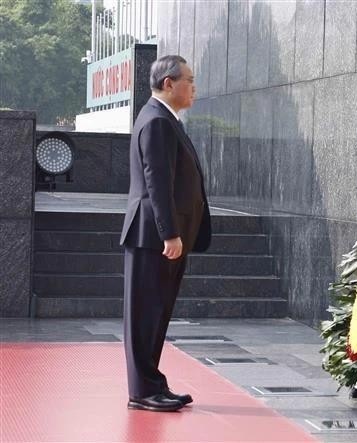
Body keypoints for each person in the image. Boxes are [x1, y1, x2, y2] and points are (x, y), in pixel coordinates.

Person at [119, 55, 211, 412]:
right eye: (189, 80)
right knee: (145, 315)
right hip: (153, 237)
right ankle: (142, 391)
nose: (194, 88)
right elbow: (157, 184)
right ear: (169, 83)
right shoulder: (157, 122)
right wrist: (170, 234)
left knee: (155, 314)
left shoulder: (165, 120)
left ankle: (151, 384)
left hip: (162, 236)